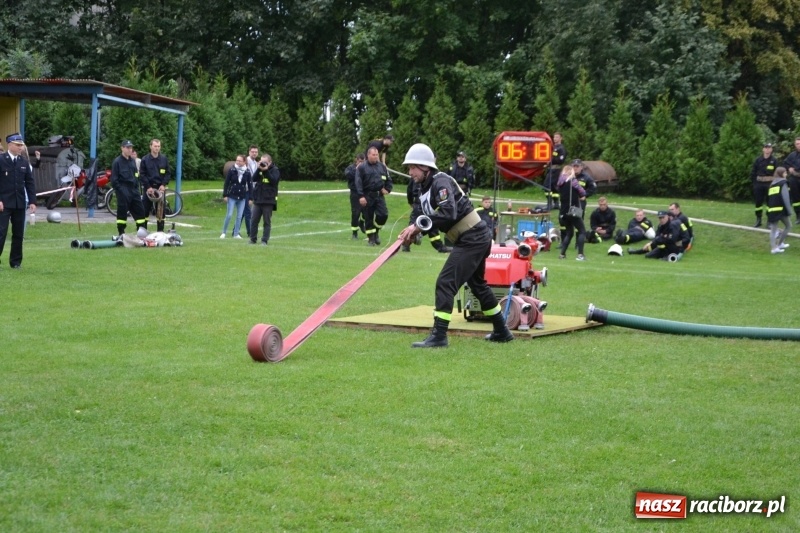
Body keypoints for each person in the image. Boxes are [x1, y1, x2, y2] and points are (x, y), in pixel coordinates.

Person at [398, 143, 513, 348]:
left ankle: (439, 335)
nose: (410, 171)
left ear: (425, 167)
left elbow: (448, 212)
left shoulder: (441, 181)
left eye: (413, 167)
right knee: (478, 285)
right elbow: (418, 213)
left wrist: (418, 228)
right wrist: (411, 230)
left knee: (445, 283)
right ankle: (502, 331)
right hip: (472, 238)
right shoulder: (420, 187)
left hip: (473, 237)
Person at [0, 133, 36, 269]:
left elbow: (30, 182)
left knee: (18, 234)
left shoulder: (23, 162)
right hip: (4, 203)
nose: (21, 147)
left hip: (19, 203)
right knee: (1, 233)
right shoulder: (1, 160)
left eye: (21, 145)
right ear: (10, 145)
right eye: (18, 145)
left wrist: (32, 201)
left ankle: (15, 262)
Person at [355, 146, 393, 246]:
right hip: (367, 196)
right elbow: (358, 182)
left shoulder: (382, 166)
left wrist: (387, 189)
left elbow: (388, 179)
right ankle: (371, 239)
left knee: (383, 215)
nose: (376, 157)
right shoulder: (362, 167)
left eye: (377, 155)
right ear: (368, 155)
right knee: (368, 218)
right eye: (373, 155)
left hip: (379, 196)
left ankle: (376, 232)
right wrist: (361, 196)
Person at [402, 178, 451, 253]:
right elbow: (409, 190)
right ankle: (405, 244)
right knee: (413, 225)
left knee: (432, 225)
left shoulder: (432, 179)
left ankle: (439, 246)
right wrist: (411, 201)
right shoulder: (416, 178)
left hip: (428, 204)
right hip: (419, 204)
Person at [111, 140, 147, 238]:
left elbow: (136, 175)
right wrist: (121, 191)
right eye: (127, 147)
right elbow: (114, 180)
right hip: (123, 190)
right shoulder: (117, 162)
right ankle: (121, 232)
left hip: (134, 190)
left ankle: (141, 231)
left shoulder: (132, 161)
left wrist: (136, 188)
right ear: (122, 148)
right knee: (122, 212)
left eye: (131, 147)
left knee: (140, 210)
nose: (129, 149)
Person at [139, 138, 171, 232]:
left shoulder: (164, 159)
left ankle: (160, 232)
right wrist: (148, 187)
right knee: (145, 210)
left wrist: (163, 185)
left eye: (158, 146)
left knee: (161, 211)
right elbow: (142, 174)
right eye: (155, 146)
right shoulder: (145, 159)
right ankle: (143, 232)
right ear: (150, 146)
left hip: (160, 189)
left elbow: (168, 173)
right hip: (148, 188)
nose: (157, 148)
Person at [556, 165, 587, 260]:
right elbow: (583, 193)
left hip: (563, 211)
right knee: (582, 231)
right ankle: (580, 255)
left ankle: (562, 254)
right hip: (573, 210)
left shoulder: (560, 183)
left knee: (569, 233)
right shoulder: (573, 181)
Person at [249, 153, 280, 245]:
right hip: (258, 199)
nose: (263, 163)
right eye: (261, 161)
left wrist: (266, 171)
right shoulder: (259, 169)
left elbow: (274, 181)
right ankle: (252, 239)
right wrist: (259, 169)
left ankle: (264, 240)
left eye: (265, 162)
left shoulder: (275, 170)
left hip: (268, 200)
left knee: (266, 221)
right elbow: (253, 179)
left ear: (270, 162)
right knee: (254, 220)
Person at [221, 155, 252, 239]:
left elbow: (250, 185)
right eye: (237, 160)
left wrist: (250, 198)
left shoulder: (247, 172)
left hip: (242, 197)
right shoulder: (232, 170)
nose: (237, 162)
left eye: (240, 161)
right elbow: (226, 183)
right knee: (229, 214)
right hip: (232, 195)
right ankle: (224, 232)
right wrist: (225, 195)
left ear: (244, 162)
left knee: (239, 216)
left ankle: (236, 233)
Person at [750, 142, 778, 227]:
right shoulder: (758, 160)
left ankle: (769, 221)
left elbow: (777, 174)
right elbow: (753, 173)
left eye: (769, 148)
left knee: (770, 203)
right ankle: (758, 219)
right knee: (758, 202)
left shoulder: (774, 161)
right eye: (766, 148)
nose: (767, 149)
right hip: (759, 184)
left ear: (771, 149)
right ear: (763, 149)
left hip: (770, 185)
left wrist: (774, 184)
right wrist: (755, 184)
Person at [766, 167, 792, 254]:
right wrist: (789, 210)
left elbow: (769, 199)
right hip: (781, 210)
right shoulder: (783, 183)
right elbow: (786, 198)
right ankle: (777, 246)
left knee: (773, 229)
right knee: (788, 226)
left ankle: (775, 247)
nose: (786, 174)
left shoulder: (772, 184)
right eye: (785, 173)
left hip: (772, 210)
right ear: (781, 174)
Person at [345, 153, 366, 239]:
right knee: (355, 213)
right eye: (360, 161)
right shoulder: (350, 168)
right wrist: (356, 170)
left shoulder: (366, 168)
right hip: (355, 193)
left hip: (365, 193)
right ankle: (354, 233)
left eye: (363, 162)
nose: (361, 163)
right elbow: (347, 175)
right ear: (356, 160)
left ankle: (362, 222)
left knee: (366, 212)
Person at [241, 145, 260, 237]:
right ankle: (250, 232)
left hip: (252, 189)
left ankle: (235, 231)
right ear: (249, 152)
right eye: (252, 151)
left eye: (256, 152)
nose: (254, 153)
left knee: (244, 211)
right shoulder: (246, 162)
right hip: (245, 189)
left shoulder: (256, 163)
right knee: (248, 211)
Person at [544, 132, 567, 210]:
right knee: (554, 187)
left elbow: (561, 160)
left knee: (546, 186)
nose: (555, 139)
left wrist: (551, 160)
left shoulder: (561, 148)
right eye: (554, 137)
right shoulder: (552, 147)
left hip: (556, 169)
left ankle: (549, 203)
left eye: (557, 137)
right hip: (550, 168)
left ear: (561, 138)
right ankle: (556, 204)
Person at [781, 137, 800, 223]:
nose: (799, 145)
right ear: (795, 145)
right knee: (796, 199)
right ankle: (798, 216)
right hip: (794, 179)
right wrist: (789, 168)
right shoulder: (792, 155)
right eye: (797, 144)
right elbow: (785, 163)